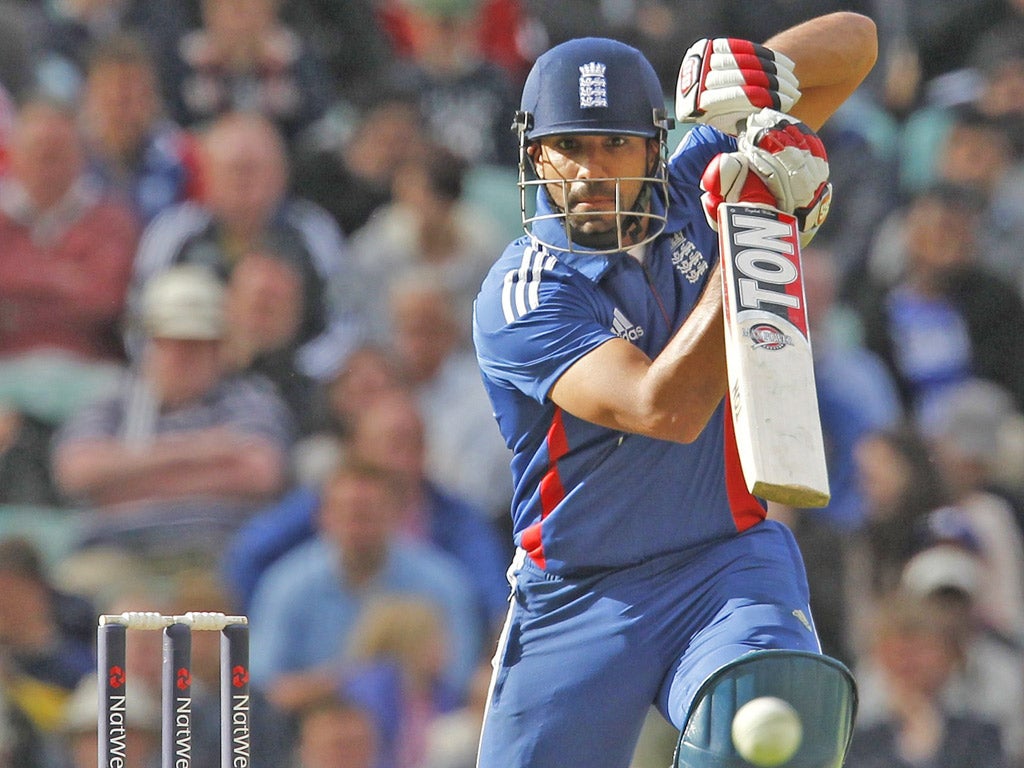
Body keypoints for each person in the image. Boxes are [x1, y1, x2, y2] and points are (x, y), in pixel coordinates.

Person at [471, 13, 877, 768]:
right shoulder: (522, 296)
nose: (592, 171)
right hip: (581, 594)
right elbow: (667, 408)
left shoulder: (697, 178)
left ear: (655, 148)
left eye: (616, 144)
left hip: (724, 561)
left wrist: (759, 74)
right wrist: (759, 231)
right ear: (534, 154)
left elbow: (856, 45)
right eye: (569, 147)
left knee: (779, 714)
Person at [51, 264, 294, 568]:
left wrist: (125, 483)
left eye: (197, 344)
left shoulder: (248, 399)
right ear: (149, 344)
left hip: (216, 554)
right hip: (118, 553)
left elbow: (261, 473)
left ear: (219, 346)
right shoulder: (113, 399)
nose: (182, 356)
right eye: (171, 342)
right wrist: (204, 452)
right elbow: (76, 472)